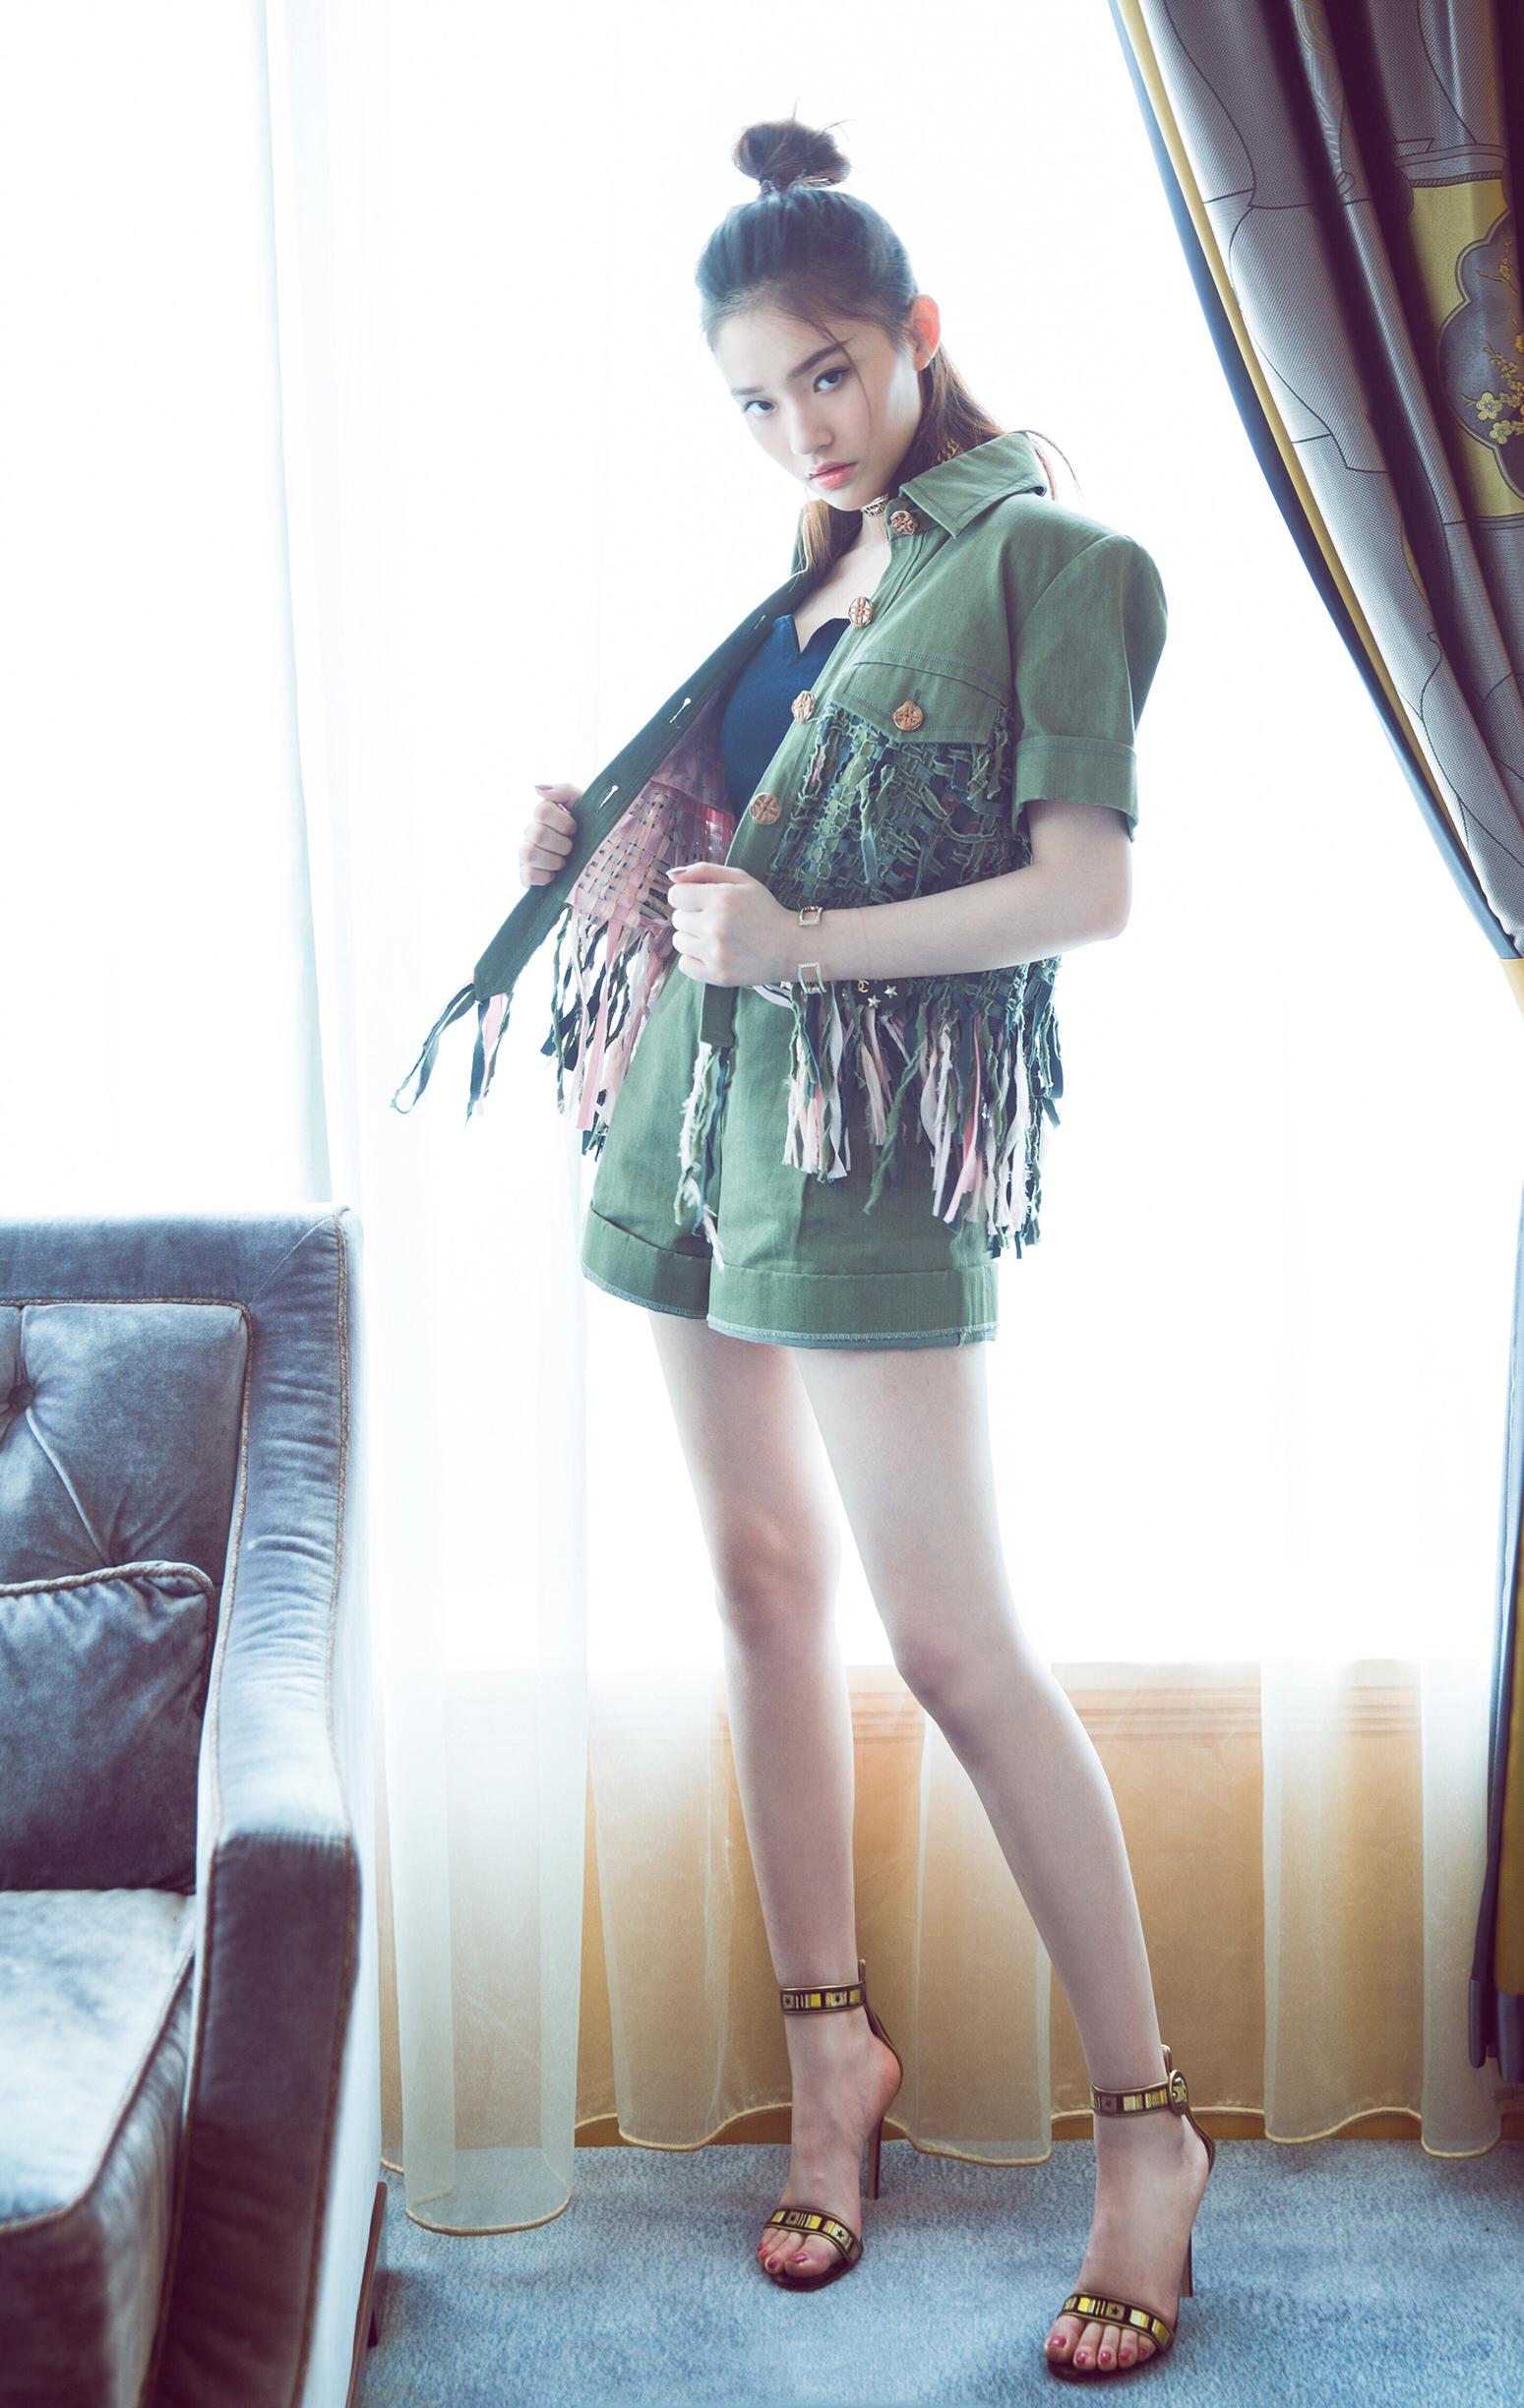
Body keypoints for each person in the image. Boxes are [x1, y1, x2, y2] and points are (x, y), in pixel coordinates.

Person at [511, 115, 1212, 2380]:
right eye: (753, 399)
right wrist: (606, 840)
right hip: (689, 1121)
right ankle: (836, 2067)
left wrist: (801, 945)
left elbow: (1085, 890)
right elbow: (743, 840)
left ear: (916, 333)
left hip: (868, 1144)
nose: (798, 429)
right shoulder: (803, 581)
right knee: (755, 1589)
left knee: (952, 1645)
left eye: (826, 373)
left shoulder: (1052, 561)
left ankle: (1149, 2137)